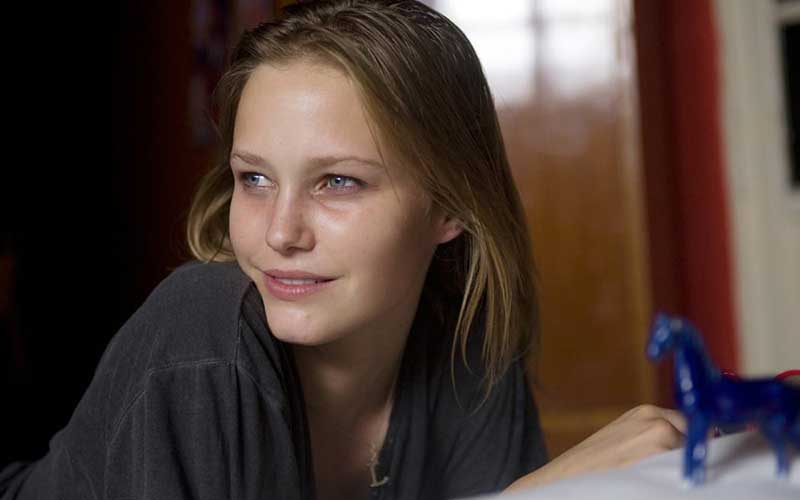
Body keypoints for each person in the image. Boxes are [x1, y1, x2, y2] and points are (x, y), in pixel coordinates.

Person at [0, 1, 688, 499]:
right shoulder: (201, 337)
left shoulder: (468, 350)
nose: (280, 233)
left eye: (337, 182)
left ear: (450, 206)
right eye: (255, 179)